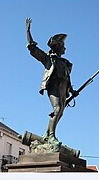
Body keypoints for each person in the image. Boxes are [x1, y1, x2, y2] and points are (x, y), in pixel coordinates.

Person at [26, 17, 75, 145]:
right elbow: (33, 49)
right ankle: (52, 136)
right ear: (58, 46)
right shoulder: (49, 59)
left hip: (64, 89)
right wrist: (28, 32)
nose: (65, 48)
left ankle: (47, 135)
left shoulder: (65, 63)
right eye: (63, 45)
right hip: (54, 86)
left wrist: (72, 91)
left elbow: (67, 79)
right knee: (57, 109)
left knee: (60, 113)